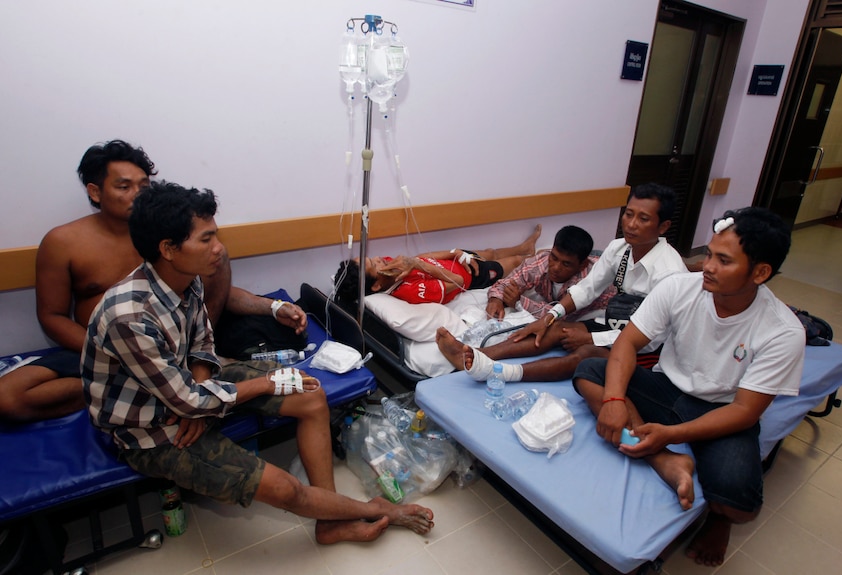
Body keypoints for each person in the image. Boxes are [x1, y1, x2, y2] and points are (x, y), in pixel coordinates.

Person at [82, 181, 434, 544]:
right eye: (205, 239)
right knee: (286, 490)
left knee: (310, 393)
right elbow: (185, 402)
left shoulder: (187, 280)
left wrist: (203, 397)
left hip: (190, 392)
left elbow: (203, 344)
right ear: (168, 249)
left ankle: (329, 522)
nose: (218, 249)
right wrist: (247, 389)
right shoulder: (130, 316)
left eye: (215, 235)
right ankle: (374, 509)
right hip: (151, 429)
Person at [0, 140, 306, 422]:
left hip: (179, 343)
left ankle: (176, 380)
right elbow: (51, 317)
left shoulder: (173, 237)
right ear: (95, 192)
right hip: (106, 350)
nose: (137, 193)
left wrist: (273, 306)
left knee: (221, 262)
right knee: (8, 398)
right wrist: (112, 351)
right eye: (124, 186)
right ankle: (149, 389)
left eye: (143, 185)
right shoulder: (63, 242)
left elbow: (211, 292)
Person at [573, 207, 804, 566]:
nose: (707, 266)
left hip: (723, 412)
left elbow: (745, 411)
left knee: (738, 504)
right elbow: (626, 344)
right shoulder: (680, 288)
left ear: (760, 272)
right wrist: (616, 398)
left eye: (723, 260)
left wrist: (671, 431)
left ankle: (718, 519)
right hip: (667, 388)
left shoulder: (783, 331)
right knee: (590, 370)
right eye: (709, 253)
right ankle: (665, 461)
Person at [436, 183, 688, 383]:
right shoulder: (619, 248)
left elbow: (654, 337)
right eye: (629, 214)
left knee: (583, 356)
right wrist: (547, 319)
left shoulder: (669, 274)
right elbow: (587, 289)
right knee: (554, 329)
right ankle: (476, 356)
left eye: (643, 219)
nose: (631, 224)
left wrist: (592, 340)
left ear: (663, 226)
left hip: (646, 347)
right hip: (617, 323)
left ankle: (499, 373)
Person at [333, 225, 542, 308]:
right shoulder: (411, 292)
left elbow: (420, 257)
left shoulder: (388, 267)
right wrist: (418, 265)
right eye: (373, 263)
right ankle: (535, 257)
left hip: (455, 260)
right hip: (471, 276)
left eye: (372, 257)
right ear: (376, 285)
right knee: (514, 263)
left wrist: (454, 252)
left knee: (490, 252)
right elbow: (458, 281)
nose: (379, 258)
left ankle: (524, 247)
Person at [484, 225, 614, 321]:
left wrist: (519, 302)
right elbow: (504, 284)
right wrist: (496, 300)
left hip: (605, 301)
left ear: (582, 265)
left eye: (566, 264)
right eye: (554, 257)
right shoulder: (543, 261)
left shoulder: (592, 278)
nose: (556, 267)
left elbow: (561, 315)